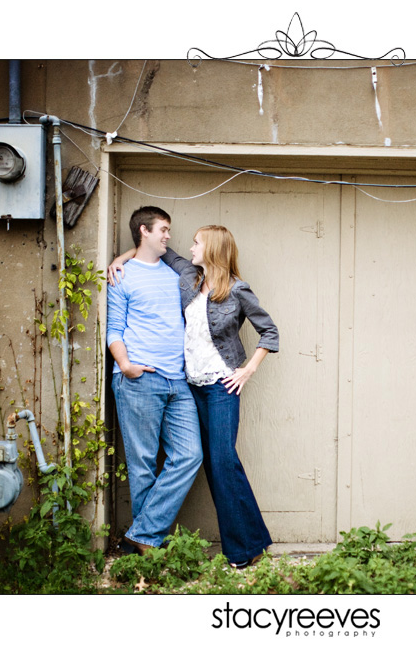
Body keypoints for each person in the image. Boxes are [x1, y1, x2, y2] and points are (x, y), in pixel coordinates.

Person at [109, 223, 278, 568]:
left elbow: (269, 332)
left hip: (220, 386)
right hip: (191, 386)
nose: (189, 248)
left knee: (222, 462)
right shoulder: (190, 278)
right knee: (212, 464)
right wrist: (119, 259)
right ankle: (252, 543)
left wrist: (247, 369)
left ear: (213, 249)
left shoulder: (238, 290)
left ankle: (245, 549)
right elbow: (155, 250)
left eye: (197, 243)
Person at [106, 206, 203, 554]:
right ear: (143, 231)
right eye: (162, 229)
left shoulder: (175, 274)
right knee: (143, 465)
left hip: (178, 381)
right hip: (139, 379)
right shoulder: (122, 275)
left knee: (190, 455)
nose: (168, 236)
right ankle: (146, 550)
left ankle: (141, 535)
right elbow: (113, 329)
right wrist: (126, 364)